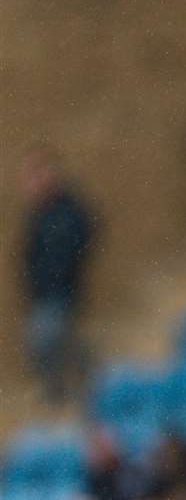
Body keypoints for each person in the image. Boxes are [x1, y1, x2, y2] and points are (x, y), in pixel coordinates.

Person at [19, 146, 94, 405]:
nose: (30, 184)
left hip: (60, 291)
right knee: (58, 342)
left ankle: (58, 397)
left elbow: (82, 236)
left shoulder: (67, 211)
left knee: (45, 341)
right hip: (44, 294)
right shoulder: (39, 215)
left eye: (36, 175)